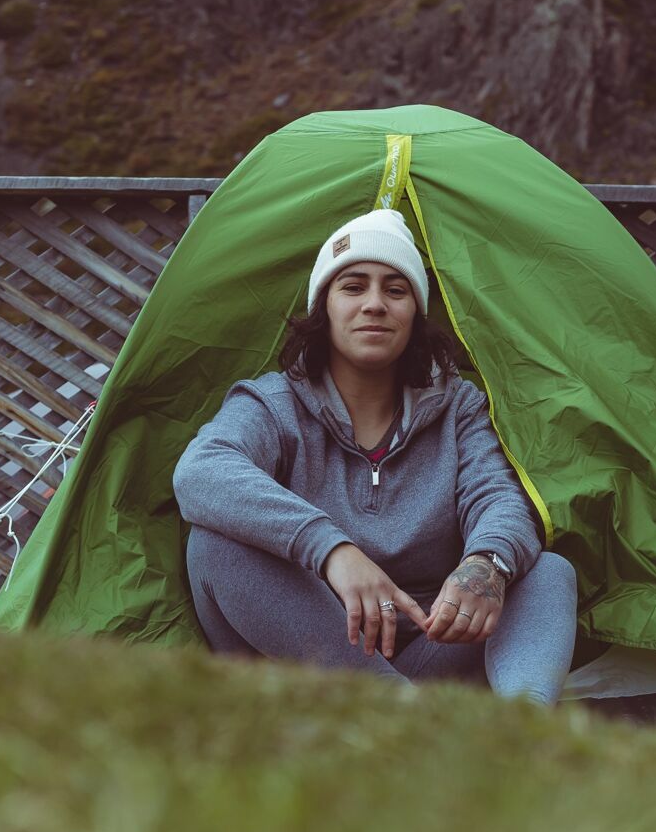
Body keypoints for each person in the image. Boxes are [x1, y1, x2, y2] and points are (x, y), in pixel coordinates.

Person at [172, 208, 579, 704]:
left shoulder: (458, 407)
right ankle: (399, 718)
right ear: (324, 308)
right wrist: (331, 550)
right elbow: (201, 471)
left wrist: (485, 565)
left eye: (395, 289)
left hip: (430, 649)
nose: (374, 304)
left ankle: (527, 730)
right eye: (353, 286)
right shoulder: (272, 404)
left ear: (414, 313)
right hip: (305, 666)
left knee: (543, 570)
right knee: (215, 544)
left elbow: (499, 498)